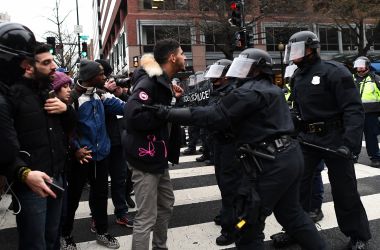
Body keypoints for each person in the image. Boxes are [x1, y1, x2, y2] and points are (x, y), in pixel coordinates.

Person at [146, 48, 326, 250]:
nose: (238, 71)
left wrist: (167, 113)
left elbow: (213, 115)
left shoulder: (248, 92)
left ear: (257, 70)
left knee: (246, 223)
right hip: (289, 158)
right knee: (291, 214)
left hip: (269, 164)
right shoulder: (269, 89)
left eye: (244, 66)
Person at [286, 30, 371, 250]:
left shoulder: (335, 71)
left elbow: (353, 109)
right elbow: (298, 109)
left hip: (335, 139)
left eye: (299, 50)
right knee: (298, 188)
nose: (294, 55)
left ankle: (358, 235)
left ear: (312, 49)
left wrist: (350, 145)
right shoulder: (297, 76)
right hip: (307, 139)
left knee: (345, 191)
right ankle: (297, 231)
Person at [8, 42, 76, 250]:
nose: (54, 66)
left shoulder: (48, 91)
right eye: (47, 62)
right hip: (31, 183)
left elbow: (70, 128)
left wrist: (66, 109)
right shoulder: (13, 95)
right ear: (29, 66)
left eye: (53, 60)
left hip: (56, 175)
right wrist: (23, 173)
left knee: (52, 236)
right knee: (34, 242)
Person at [123, 39, 185, 250]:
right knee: (146, 217)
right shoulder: (148, 83)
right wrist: (163, 112)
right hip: (145, 159)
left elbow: (164, 114)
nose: (185, 57)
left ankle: (160, 246)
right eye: (182, 53)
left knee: (166, 205)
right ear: (172, 58)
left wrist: (174, 101)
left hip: (158, 157)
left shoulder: (163, 82)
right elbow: (132, 116)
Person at [61, 59, 124, 249]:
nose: (105, 77)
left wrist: (122, 93)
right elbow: (64, 128)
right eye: (101, 74)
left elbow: (125, 107)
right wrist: (76, 148)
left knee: (101, 196)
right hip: (80, 157)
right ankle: (66, 235)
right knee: (72, 198)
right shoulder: (72, 99)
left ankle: (102, 232)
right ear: (90, 77)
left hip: (101, 156)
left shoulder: (100, 94)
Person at [203, 59, 242, 245]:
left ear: (228, 74)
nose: (214, 78)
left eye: (219, 73)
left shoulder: (234, 92)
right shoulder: (217, 91)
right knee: (223, 183)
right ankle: (228, 213)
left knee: (230, 187)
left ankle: (232, 228)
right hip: (218, 144)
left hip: (231, 146)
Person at [353, 56, 380, 168]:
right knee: (354, 136)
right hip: (355, 113)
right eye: (357, 66)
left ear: (367, 66)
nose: (359, 69)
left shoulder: (375, 79)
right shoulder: (351, 79)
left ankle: (375, 158)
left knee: (371, 136)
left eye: (362, 66)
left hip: (371, 114)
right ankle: (353, 156)